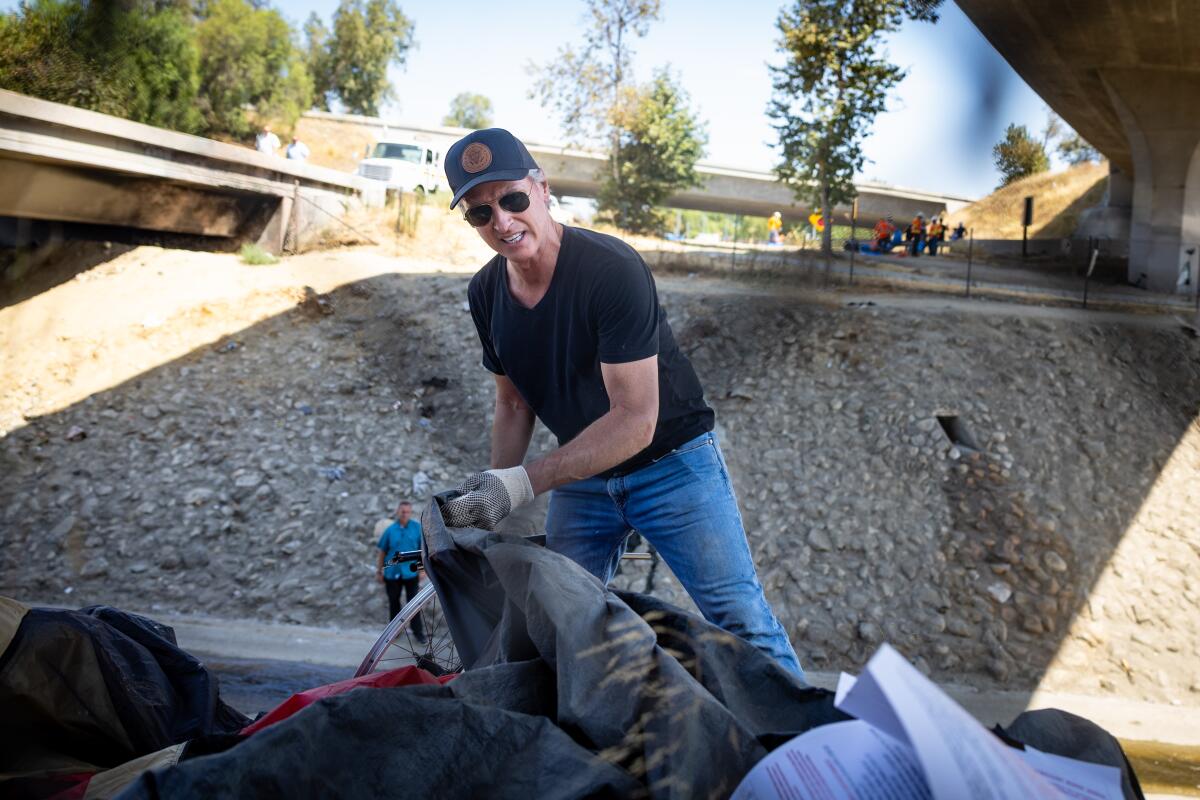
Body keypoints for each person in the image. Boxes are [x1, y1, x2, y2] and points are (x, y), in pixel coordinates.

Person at [437, 128, 804, 679]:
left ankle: (812, 753)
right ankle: (583, 744)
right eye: (480, 213)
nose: (503, 223)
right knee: (555, 625)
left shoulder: (611, 269)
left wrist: (522, 483)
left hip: (672, 464)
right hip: (583, 476)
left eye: (512, 199)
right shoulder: (485, 293)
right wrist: (494, 488)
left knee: (738, 620)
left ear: (542, 190)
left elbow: (636, 420)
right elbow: (512, 405)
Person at [376, 501, 425, 640]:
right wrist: (379, 571)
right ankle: (394, 633)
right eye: (402, 511)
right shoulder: (390, 530)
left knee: (414, 604)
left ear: (410, 513)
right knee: (394, 603)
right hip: (392, 573)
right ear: (398, 512)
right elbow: (382, 552)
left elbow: (422, 550)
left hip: (411, 573)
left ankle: (418, 633)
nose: (405, 514)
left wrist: (422, 570)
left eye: (407, 512)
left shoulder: (417, 528)